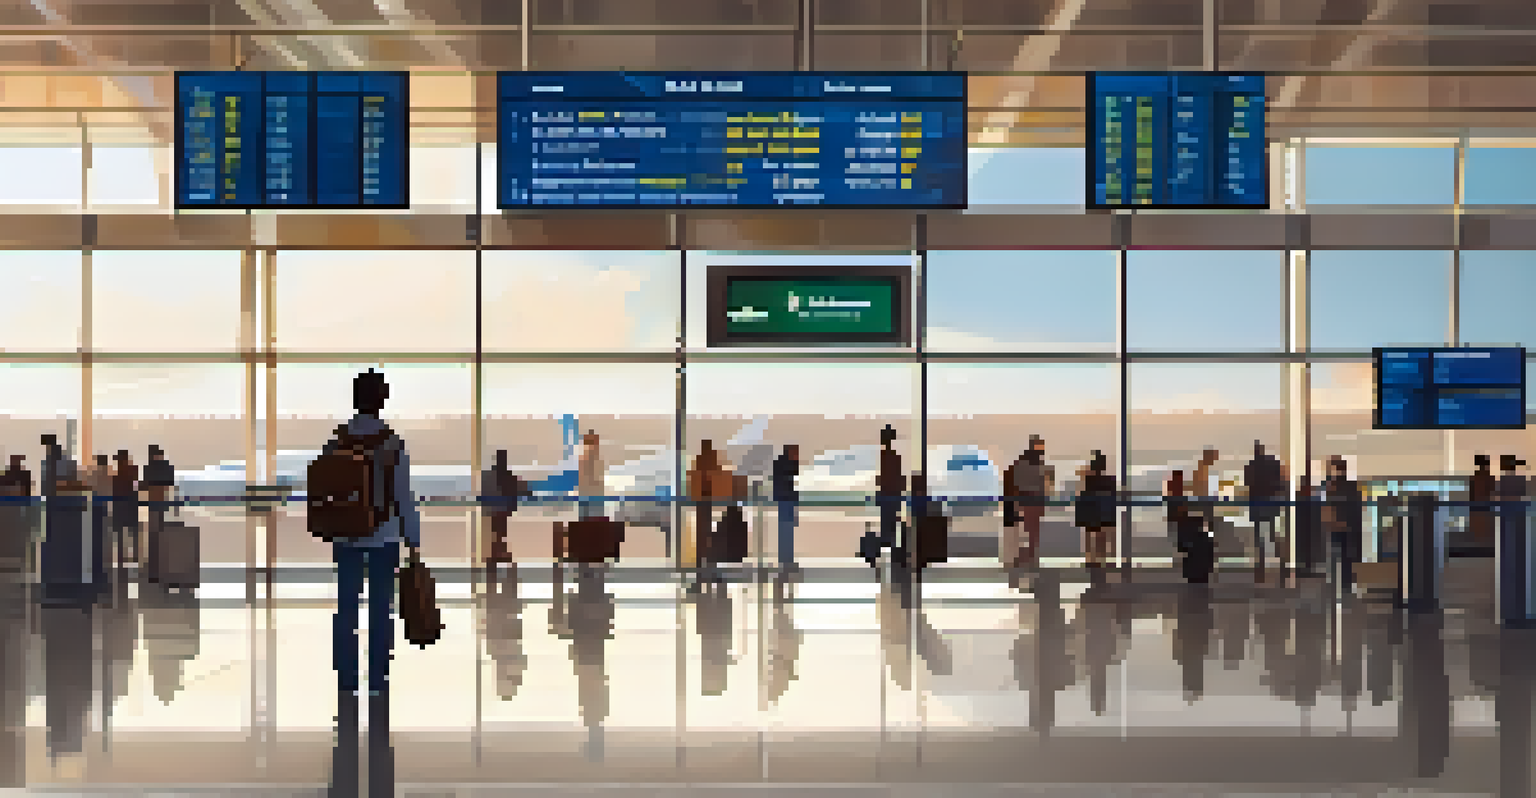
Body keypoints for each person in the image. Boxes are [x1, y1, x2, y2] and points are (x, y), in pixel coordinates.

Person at [319, 369, 420, 796]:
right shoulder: (392, 444)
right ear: (380, 400)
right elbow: (403, 495)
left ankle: (346, 677)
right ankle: (376, 678)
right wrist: (413, 540)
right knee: (381, 609)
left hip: (345, 535)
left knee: (346, 608)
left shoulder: (338, 439)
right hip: (381, 538)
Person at [1002, 438, 1054, 570]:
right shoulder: (1031, 465)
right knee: (1029, 533)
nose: (1041, 452)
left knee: (1029, 533)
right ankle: (1028, 558)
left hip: (1028, 503)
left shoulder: (1026, 464)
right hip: (1029, 503)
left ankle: (1028, 559)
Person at [861, 425, 906, 568]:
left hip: (888, 495)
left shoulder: (886, 455)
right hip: (891, 495)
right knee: (890, 527)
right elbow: (891, 478)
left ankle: (881, 552)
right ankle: (888, 553)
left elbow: (883, 479)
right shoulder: (890, 456)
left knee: (889, 526)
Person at [1244, 441, 1288, 583]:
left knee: (1260, 538)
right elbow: (1282, 482)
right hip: (1270, 503)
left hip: (1257, 502)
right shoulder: (1273, 463)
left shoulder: (1251, 466)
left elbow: (1248, 482)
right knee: (1272, 535)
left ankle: (1261, 566)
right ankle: (1282, 563)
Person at [1324, 456, 1363, 596]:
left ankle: (1338, 582)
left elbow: (1331, 505)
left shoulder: (1333, 486)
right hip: (1346, 524)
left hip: (1338, 524)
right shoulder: (1349, 486)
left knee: (1337, 553)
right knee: (1346, 555)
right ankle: (1344, 582)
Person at [1075, 451, 1116, 573]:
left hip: (1090, 512)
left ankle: (1090, 560)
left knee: (1090, 538)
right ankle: (1100, 560)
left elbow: (1083, 493)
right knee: (1101, 539)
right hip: (1103, 513)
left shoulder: (1088, 479)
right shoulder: (1109, 480)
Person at [482, 449, 518, 572]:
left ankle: (495, 554)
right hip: (502, 507)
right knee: (500, 532)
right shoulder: (505, 475)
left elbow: (484, 492)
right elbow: (513, 489)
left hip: (494, 508)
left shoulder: (489, 475)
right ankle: (497, 554)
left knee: (497, 532)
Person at [772, 444, 800, 572]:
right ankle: (786, 561)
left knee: (786, 531)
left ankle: (786, 560)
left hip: (785, 500)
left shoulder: (781, 464)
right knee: (786, 531)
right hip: (786, 501)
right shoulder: (786, 466)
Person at [111, 450, 139, 567]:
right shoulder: (132, 472)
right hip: (131, 506)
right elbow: (136, 487)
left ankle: (122, 556)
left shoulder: (117, 476)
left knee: (121, 533)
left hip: (120, 507)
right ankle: (135, 554)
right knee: (133, 532)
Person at [1469, 453, 1496, 548]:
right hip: (1485, 504)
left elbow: (1471, 492)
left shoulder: (1474, 477)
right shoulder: (1489, 477)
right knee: (1484, 526)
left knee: (1478, 526)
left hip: (1476, 504)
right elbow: (1492, 491)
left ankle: (1479, 539)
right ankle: (1483, 540)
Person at [577, 430, 604, 520]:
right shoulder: (584, 459)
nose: (590, 446)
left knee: (592, 521)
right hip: (588, 496)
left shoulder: (596, 459)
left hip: (593, 496)